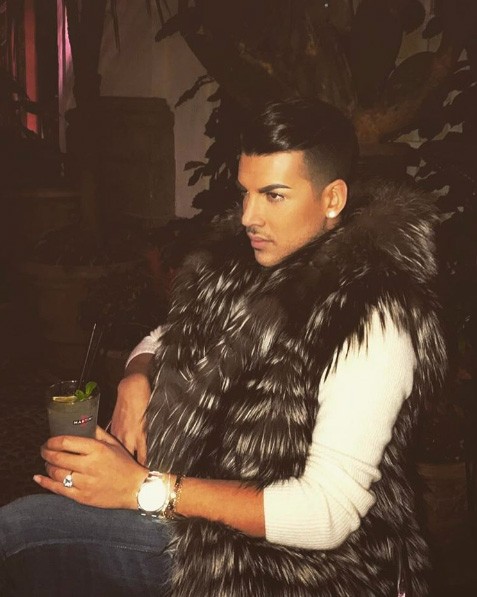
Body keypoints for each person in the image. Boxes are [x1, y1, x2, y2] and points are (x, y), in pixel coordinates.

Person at [0, 98, 446, 596]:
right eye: (245, 193)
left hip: (294, 567)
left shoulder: (372, 316)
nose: (249, 216)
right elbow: (162, 337)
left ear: (332, 199)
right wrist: (136, 379)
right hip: (194, 514)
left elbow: (328, 514)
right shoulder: (248, 265)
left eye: (273, 195)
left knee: (21, 534)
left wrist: (142, 489)